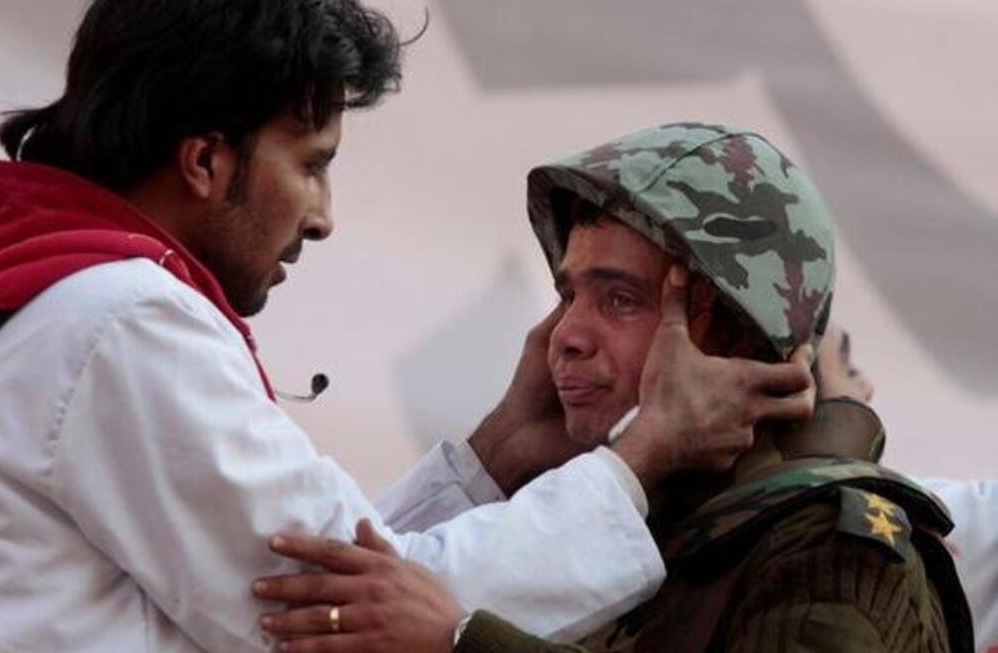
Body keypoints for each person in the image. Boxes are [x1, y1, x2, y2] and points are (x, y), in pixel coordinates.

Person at [0, 0, 818, 652]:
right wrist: (637, 464)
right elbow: (342, 621)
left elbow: (328, 581)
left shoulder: (40, 301)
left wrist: (496, 455)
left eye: (620, 297)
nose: (324, 217)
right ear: (206, 161)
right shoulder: (117, 324)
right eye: (311, 164)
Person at [252, 124, 973, 652]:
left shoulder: (833, 553)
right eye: (569, 294)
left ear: (728, 333)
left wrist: (462, 642)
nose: (565, 333)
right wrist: (503, 451)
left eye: (619, 299)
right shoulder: (642, 530)